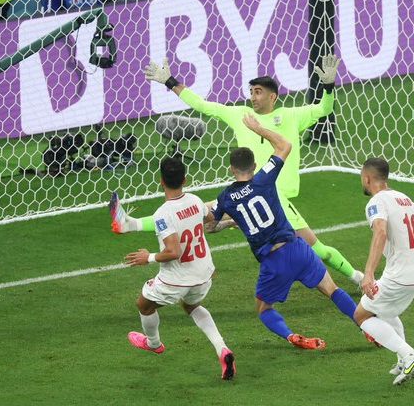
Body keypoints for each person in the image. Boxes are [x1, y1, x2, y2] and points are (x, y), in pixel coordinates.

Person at [141, 55, 363, 286]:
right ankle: (131, 224)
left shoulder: (291, 116)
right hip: (247, 193)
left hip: (277, 199)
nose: (253, 97)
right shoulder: (241, 114)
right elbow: (203, 106)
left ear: (272, 96)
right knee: (192, 212)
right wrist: (170, 82)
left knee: (318, 250)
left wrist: (328, 86)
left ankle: (357, 277)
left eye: (258, 92)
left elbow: (325, 108)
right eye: (251, 92)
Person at [206, 114, 360, 349]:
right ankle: (367, 327)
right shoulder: (264, 178)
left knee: (264, 309)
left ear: (231, 169)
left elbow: (210, 227)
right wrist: (259, 129)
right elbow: (285, 145)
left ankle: (291, 336)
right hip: (297, 248)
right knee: (332, 289)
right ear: (254, 166)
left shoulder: (225, 198)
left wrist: (231, 222)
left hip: (273, 262)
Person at [110, 157, 236, 380]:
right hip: (203, 274)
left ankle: (153, 344)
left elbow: (173, 251)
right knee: (191, 305)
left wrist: (147, 257)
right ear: (185, 179)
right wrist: (229, 222)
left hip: (177, 279)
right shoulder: (196, 200)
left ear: (161, 181)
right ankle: (222, 349)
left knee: (144, 305)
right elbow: (209, 220)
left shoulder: (163, 213)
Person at [353, 158, 414, 385]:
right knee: (386, 311)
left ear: (367, 178)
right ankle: (404, 361)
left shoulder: (376, 202)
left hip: (400, 276)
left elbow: (380, 232)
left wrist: (369, 274)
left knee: (362, 315)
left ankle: (409, 355)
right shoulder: (404, 198)